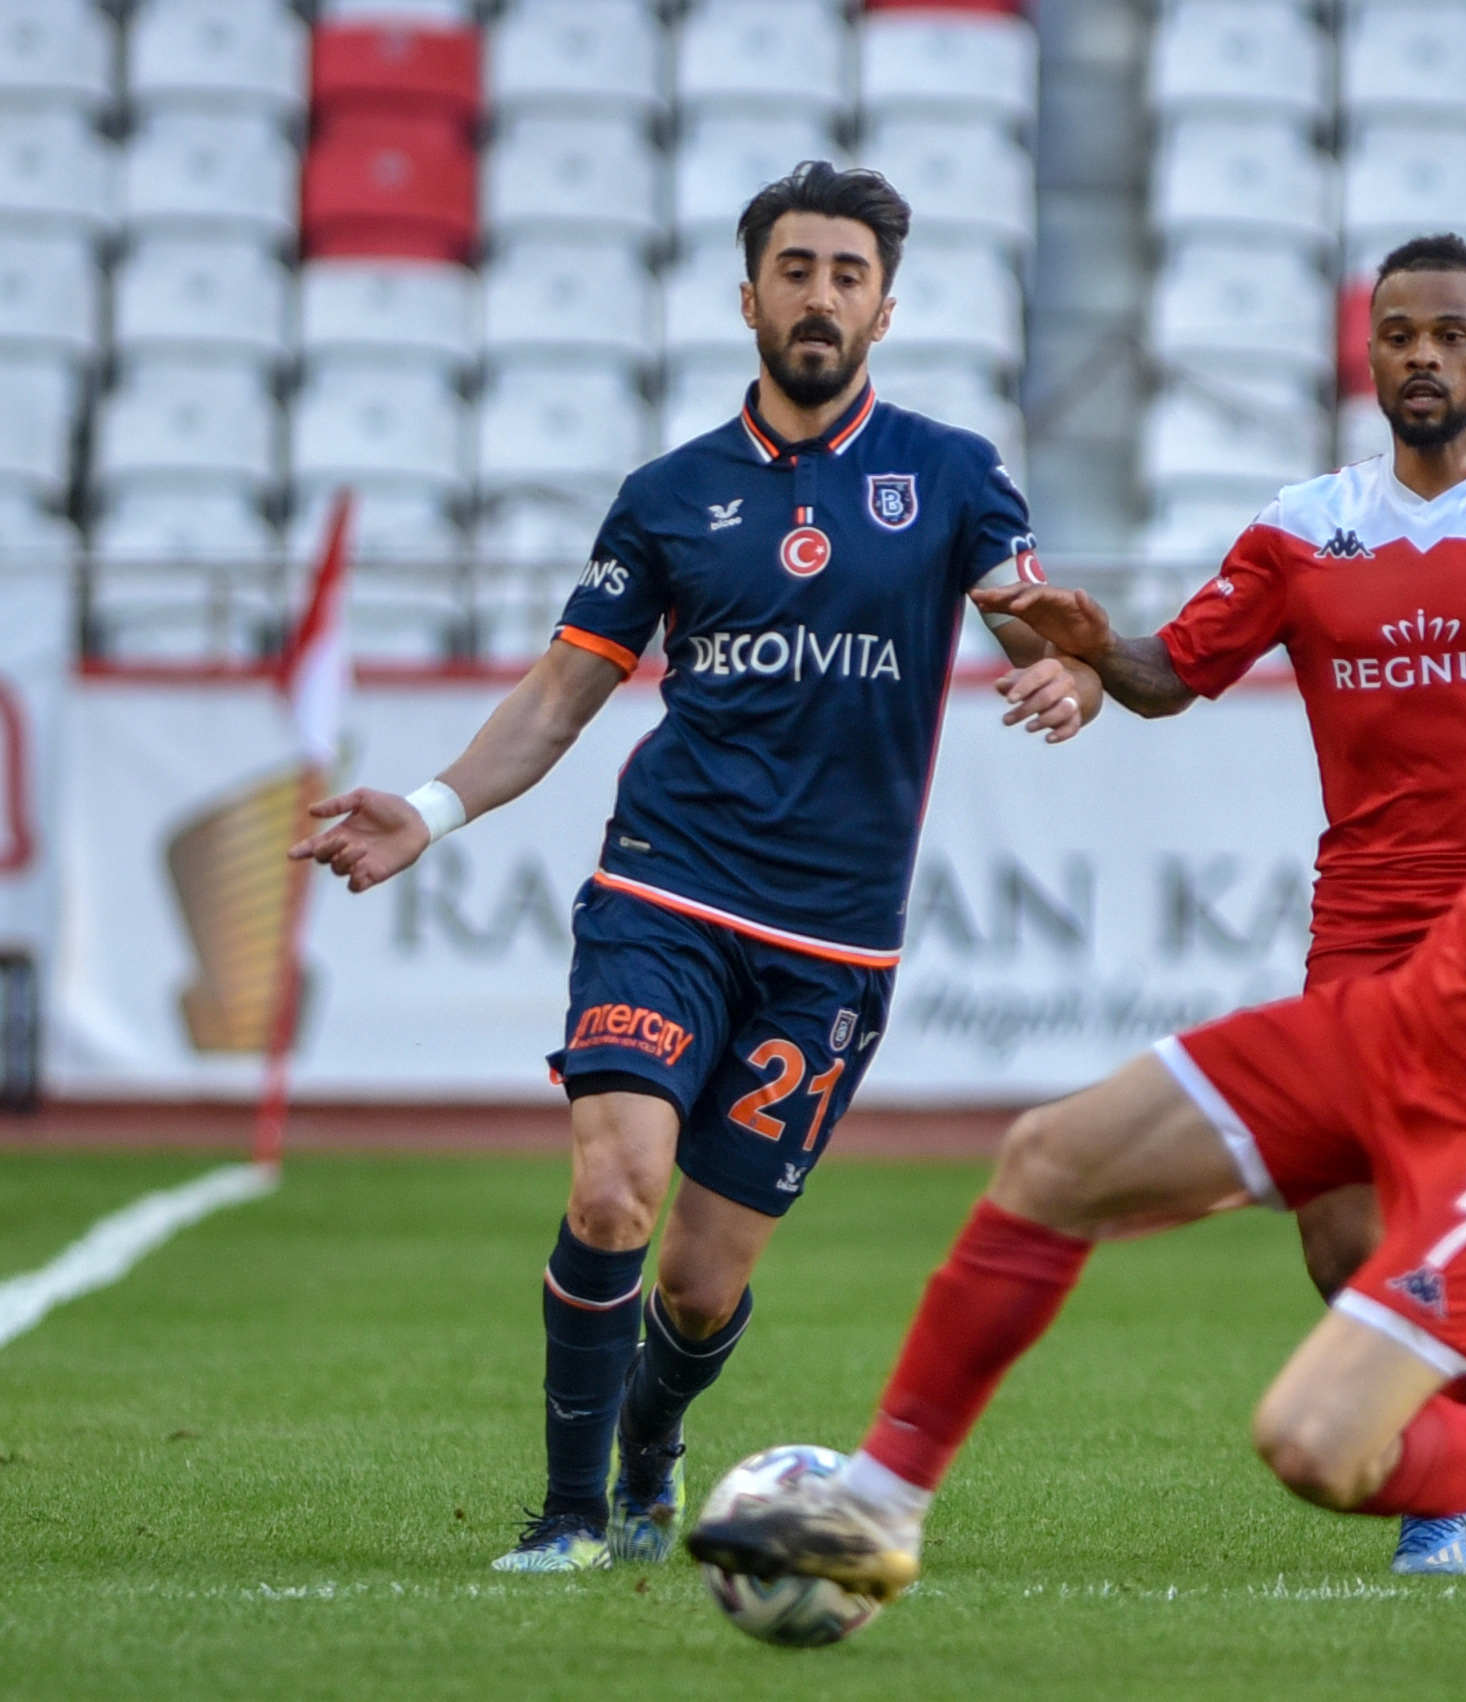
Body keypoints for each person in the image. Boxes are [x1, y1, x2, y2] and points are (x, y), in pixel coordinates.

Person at [688, 323, 1466, 1647]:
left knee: (1315, 1442)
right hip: (1405, 1016)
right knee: (1050, 1156)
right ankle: (878, 1506)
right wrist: (1112, 655)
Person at [289, 162, 1104, 1573]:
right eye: (795, 269)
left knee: (703, 1275)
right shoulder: (669, 496)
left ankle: (656, 1441)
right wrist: (428, 807)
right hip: (663, 887)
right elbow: (557, 696)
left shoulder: (954, 476)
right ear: (747, 297)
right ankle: (565, 1518)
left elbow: (1043, 632)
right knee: (614, 1188)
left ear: (884, 308)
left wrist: (1071, 679)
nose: (819, 296)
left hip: (834, 941)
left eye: (847, 274)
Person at [974, 232, 1466, 1577]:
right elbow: (1166, 676)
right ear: (1366, 351)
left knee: (1464, 1201)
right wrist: (1086, 643)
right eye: (1397, 334)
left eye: (1446, 332)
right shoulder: (1307, 524)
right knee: (1338, 1228)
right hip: (1362, 922)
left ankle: (1443, 1497)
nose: (1420, 356)